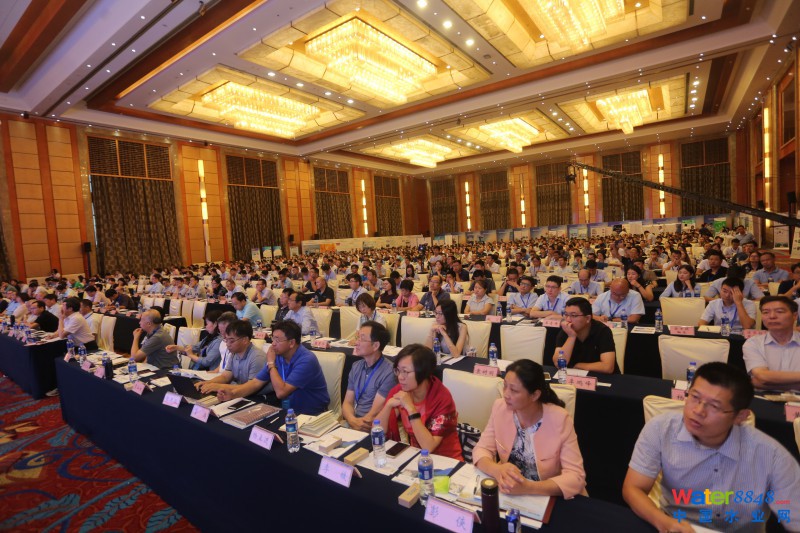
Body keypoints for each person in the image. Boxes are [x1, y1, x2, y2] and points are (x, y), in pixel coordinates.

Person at [622, 362, 800, 533]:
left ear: (740, 416)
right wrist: (663, 522)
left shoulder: (772, 455)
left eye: (714, 406)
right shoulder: (661, 429)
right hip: (676, 525)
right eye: (694, 397)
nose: (698, 411)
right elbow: (633, 488)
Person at [473, 359, 586, 497]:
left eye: (514, 390)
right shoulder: (500, 407)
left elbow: (576, 477)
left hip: (547, 495)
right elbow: (482, 449)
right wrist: (497, 470)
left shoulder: (560, 419)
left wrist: (528, 487)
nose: (506, 394)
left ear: (535, 395)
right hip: (509, 492)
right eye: (505, 386)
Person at [211, 320, 329, 415]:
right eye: (273, 338)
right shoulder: (279, 355)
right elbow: (255, 383)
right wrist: (233, 394)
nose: (273, 344)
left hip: (312, 414)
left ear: (291, 343)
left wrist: (271, 364)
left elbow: (281, 393)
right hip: (287, 411)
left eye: (277, 340)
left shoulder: (306, 360)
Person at [377, 344, 462, 460]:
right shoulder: (400, 390)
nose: (400, 377)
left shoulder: (442, 398)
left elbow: (428, 446)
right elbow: (377, 430)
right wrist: (388, 406)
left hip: (446, 459)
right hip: (417, 456)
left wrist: (411, 409)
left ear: (423, 372)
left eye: (405, 371)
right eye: (398, 370)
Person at [342, 322, 397, 431]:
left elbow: (374, 413)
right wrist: (352, 420)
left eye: (362, 339)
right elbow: (347, 402)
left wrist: (357, 425)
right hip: (352, 422)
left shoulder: (389, 372)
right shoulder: (356, 366)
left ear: (375, 345)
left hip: (372, 427)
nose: (356, 343)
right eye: (357, 338)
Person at [197, 319, 269, 395]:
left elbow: (250, 388)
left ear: (245, 340)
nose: (227, 344)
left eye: (231, 341)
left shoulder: (257, 357)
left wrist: (219, 386)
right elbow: (225, 377)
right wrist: (207, 383)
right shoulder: (234, 353)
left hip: (258, 397)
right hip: (241, 393)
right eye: (226, 340)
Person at [743, 296, 800, 390]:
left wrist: (765, 382)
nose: (772, 316)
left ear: (795, 316)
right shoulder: (753, 343)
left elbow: (760, 381)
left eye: (779, 312)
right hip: (765, 397)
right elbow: (763, 376)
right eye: (766, 312)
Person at [554, 297, 618, 374]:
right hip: (575, 376)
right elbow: (558, 363)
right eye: (566, 315)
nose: (568, 320)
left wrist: (578, 366)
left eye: (573, 315)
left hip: (602, 377)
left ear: (587, 318)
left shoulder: (602, 331)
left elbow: (607, 367)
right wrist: (571, 336)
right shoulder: (566, 331)